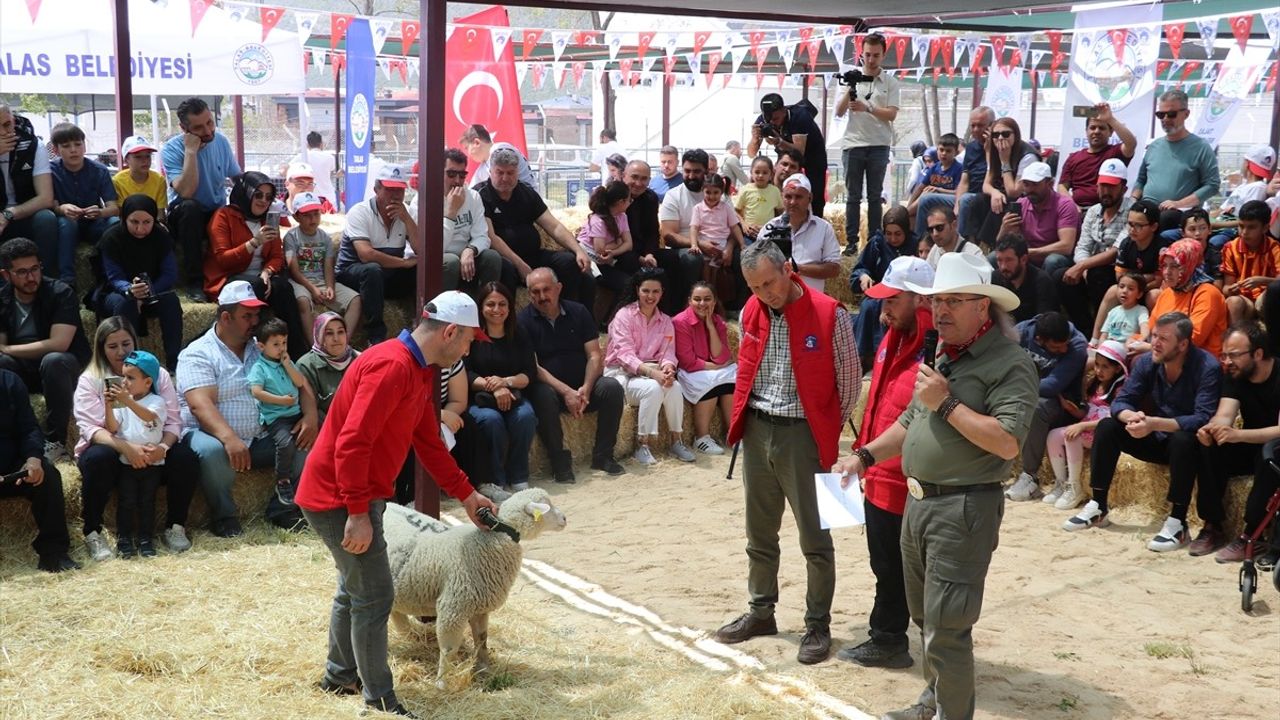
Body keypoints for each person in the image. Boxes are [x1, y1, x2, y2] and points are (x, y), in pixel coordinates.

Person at [834, 251, 1038, 720]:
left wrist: (945, 404)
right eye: (937, 300)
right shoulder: (948, 351)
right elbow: (912, 417)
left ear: (983, 307)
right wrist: (864, 457)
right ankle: (933, 701)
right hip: (921, 503)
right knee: (926, 618)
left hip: (962, 508)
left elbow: (1008, 442)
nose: (940, 311)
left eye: (953, 301)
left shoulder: (1010, 363)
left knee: (946, 627)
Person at [295, 291, 499, 718]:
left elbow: (427, 439)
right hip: (339, 495)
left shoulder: (418, 369)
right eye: (467, 341)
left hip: (352, 492)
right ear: (449, 332)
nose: (467, 350)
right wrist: (355, 512)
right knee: (375, 594)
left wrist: (466, 493)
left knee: (355, 588)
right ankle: (380, 700)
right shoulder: (392, 366)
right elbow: (353, 443)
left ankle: (339, 676)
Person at [713, 240, 860, 665]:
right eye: (756, 287)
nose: (766, 293)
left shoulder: (831, 312)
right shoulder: (751, 310)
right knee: (759, 533)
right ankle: (761, 612)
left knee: (816, 538)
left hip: (804, 434)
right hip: (758, 429)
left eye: (770, 282)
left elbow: (849, 385)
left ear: (788, 269)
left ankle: (818, 624)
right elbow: (746, 367)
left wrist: (821, 427)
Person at [836, 254, 934, 671]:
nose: (884, 307)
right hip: (878, 473)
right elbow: (878, 406)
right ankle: (889, 636)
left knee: (897, 568)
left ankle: (891, 639)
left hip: (906, 483)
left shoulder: (932, 354)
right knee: (885, 564)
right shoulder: (891, 341)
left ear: (919, 300)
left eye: (893, 300)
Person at [1065, 312, 1221, 555]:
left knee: (1183, 439)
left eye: (1164, 339)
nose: (1155, 343)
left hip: (1186, 447)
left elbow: (1203, 418)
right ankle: (1098, 506)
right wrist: (1132, 418)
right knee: (1108, 426)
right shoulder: (1149, 362)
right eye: (1155, 335)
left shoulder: (1208, 367)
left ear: (1183, 344)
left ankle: (1178, 522)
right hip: (1155, 438)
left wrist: (1153, 423)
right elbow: (1122, 401)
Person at [177, 280, 318, 538]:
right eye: (247, 316)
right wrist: (229, 438)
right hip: (213, 437)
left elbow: (302, 383)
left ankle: (283, 509)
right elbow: (200, 404)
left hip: (262, 437)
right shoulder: (198, 353)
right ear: (226, 317)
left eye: (256, 314)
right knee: (211, 452)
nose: (255, 321)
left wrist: (310, 417)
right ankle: (224, 517)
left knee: (306, 443)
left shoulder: (263, 346)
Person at [74, 316, 198, 561]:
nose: (121, 352)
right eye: (112, 346)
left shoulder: (156, 374)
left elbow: (173, 420)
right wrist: (126, 448)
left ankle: (175, 526)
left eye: (126, 344)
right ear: (101, 348)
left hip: (153, 450)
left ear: (135, 342)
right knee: (97, 458)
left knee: (185, 457)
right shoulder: (90, 379)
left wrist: (163, 447)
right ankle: (93, 531)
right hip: (113, 451)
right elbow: (90, 427)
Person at [519, 268, 626, 482]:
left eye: (546, 290)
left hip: (582, 387)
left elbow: (595, 355)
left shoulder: (579, 312)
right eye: (535, 292)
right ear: (529, 294)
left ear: (558, 288)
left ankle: (603, 455)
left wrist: (586, 388)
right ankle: (559, 461)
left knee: (612, 388)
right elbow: (534, 367)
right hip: (552, 390)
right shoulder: (522, 321)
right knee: (541, 394)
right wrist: (567, 392)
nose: (541, 297)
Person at [0, 237, 90, 461]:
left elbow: (59, 343)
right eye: (21, 272)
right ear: (6, 275)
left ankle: (55, 441)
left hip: (62, 368)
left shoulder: (61, 292)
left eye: (34, 269)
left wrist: (8, 349)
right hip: (22, 369)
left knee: (54, 360)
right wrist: (5, 351)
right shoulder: (2, 298)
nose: (31, 277)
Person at [1195, 323, 1280, 559]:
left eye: (1234, 355)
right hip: (1250, 443)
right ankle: (1212, 525)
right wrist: (1213, 429)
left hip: (1275, 446)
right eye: (1224, 355)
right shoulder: (1235, 375)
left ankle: (1252, 535)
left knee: (1269, 455)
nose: (1227, 361)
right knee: (1209, 447)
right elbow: (1225, 414)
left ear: (1258, 354)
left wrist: (1238, 435)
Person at [478, 147, 596, 315]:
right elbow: (492, 237)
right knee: (506, 270)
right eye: (500, 173)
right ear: (491, 171)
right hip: (505, 258)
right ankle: (511, 326)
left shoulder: (526, 192)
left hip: (533, 254)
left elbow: (553, 226)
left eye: (510, 173)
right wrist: (520, 265)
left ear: (517, 172)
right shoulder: (481, 195)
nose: (505, 178)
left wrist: (578, 250)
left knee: (568, 262)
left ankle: (567, 318)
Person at [205, 172, 308, 359]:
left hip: (260, 276)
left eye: (269, 197)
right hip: (229, 277)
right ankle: (259, 352)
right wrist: (254, 242)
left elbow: (277, 256)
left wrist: (268, 272)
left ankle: (297, 354)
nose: (263, 201)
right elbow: (223, 260)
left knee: (282, 287)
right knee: (254, 286)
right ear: (246, 193)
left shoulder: (269, 219)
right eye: (258, 195)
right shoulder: (224, 216)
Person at [604, 269, 696, 465]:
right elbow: (625, 356)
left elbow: (669, 352)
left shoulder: (665, 321)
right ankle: (641, 445)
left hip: (650, 372)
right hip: (621, 374)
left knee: (675, 387)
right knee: (653, 389)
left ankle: (676, 441)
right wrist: (653, 373)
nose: (650, 296)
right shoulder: (624, 315)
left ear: (662, 293)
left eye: (655, 292)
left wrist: (669, 368)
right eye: (646, 291)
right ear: (637, 290)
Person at [0, 367, 79, 573]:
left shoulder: (10, 381)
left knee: (48, 474)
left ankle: (53, 553)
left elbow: (29, 428)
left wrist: (33, 457)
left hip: (10, 470)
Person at [93, 194, 183, 371]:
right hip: (116, 292)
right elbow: (113, 276)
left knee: (171, 301)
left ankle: (174, 362)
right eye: (134, 222)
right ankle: (128, 364)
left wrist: (148, 291)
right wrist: (130, 290)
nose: (140, 229)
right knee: (125, 304)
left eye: (146, 222)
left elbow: (170, 273)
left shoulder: (160, 236)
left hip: (153, 289)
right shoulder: (112, 237)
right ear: (124, 218)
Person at [162, 97, 242, 295]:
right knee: (191, 208)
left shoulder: (221, 141)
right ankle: (194, 282)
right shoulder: (171, 149)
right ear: (184, 128)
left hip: (215, 211)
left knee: (236, 209)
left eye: (210, 123)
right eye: (199, 128)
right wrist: (191, 152)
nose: (207, 131)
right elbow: (186, 191)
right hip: (184, 214)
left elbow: (237, 178)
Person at [1006, 312, 1089, 502]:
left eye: (1065, 344)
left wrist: (1015, 384)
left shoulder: (1077, 346)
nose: (1064, 349)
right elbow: (1002, 363)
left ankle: (1030, 477)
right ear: (1039, 339)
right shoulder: (1022, 332)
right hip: (1026, 392)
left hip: (1062, 403)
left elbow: (1052, 386)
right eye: (1057, 347)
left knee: (1036, 408)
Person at [465, 282, 538, 493]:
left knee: (525, 417)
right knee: (491, 421)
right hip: (479, 399)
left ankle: (518, 476)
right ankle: (495, 479)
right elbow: (466, 374)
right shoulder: (471, 335)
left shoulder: (519, 332)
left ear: (510, 306)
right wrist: (494, 387)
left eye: (502, 304)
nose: (497, 310)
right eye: (490, 304)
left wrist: (505, 382)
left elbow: (529, 372)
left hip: (513, 395)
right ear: (481, 307)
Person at [335, 165, 419, 343]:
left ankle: (420, 321)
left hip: (384, 277)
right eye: (389, 189)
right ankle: (375, 336)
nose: (395, 195)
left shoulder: (407, 212)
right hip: (353, 273)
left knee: (421, 267)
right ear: (376, 189)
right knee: (372, 270)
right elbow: (366, 254)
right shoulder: (360, 211)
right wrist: (403, 263)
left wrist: (408, 220)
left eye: (400, 190)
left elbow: (422, 250)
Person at [1044, 339, 1127, 511]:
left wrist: (1082, 426)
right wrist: (1074, 411)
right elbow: (1088, 411)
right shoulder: (1095, 385)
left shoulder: (1120, 389)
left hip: (1100, 432)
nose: (1098, 370)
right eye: (1097, 365)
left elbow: (1112, 418)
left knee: (1072, 436)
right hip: (1087, 426)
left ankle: (1075, 487)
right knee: (1053, 435)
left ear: (1117, 368)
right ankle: (1062, 482)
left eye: (1105, 367)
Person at [836, 32, 900, 256]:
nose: (871, 60)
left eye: (876, 55)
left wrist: (868, 107)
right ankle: (851, 242)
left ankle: (874, 239)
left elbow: (891, 114)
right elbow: (839, 111)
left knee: (875, 196)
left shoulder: (890, 82)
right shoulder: (852, 77)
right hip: (853, 144)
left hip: (879, 145)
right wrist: (849, 88)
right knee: (853, 196)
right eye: (867, 55)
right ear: (861, 54)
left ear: (883, 55)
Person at [408, 148, 505, 294]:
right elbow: (434, 248)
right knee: (452, 262)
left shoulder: (473, 197)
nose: (457, 181)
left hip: (466, 253)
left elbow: (482, 236)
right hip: (440, 257)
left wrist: (470, 250)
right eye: (451, 174)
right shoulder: (422, 201)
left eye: (462, 175)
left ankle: (484, 309)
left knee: (492, 258)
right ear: (439, 173)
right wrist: (451, 212)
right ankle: (442, 313)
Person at [101, 349, 167, 558]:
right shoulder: (123, 403)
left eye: (130, 378)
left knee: (147, 501)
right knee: (126, 502)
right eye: (123, 377)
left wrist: (127, 401)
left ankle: (146, 539)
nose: (125, 382)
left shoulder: (157, 401)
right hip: (127, 462)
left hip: (151, 464)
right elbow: (112, 428)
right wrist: (109, 406)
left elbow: (149, 418)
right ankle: (124, 538)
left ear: (148, 382)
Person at [1061, 158, 1133, 335]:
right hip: (1091, 267)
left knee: (1097, 274)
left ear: (1123, 188)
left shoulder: (1132, 210)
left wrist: (1084, 266)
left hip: (1118, 269)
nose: (1105, 191)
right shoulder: (1093, 211)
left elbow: (1117, 251)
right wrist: (1082, 268)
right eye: (1102, 186)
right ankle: (1083, 329)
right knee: (1061, 277)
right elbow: (1082, 246)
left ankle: (1101, 331)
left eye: (1111, 186)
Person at [1133, 89, 1220, 231]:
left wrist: (1179, 203)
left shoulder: (1201, 147)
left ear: (1186, 114)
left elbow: (1212, 185)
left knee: (1166, 219)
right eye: (1161, 115)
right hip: (1148, 211)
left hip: (1179, 215)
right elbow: (1141, 180)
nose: (1165, 119)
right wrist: (1133, 200)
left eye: (1171, 114)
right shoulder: (1154, 146)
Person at [1089, 198, 1170, 343]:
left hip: (1150, 290)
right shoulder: (1126, 244)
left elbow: (1159, 281)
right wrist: (1144, 279)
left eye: (1139, 225)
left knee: (1154, 295)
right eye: (1130, 224)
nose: (1132, 229)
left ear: (1154, 226)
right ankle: (1094, 340)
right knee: (1113, 290)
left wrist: (1137, 285)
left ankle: (1152, 339)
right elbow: (1120, 276)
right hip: (1133, 287)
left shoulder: (1162, 247)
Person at [284, 191, 361, 343]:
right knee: (303, 302)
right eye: (307, 215)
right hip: (300, 282)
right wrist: (312, 289)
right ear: (296, 217)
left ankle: (344, 342)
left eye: (316, 214)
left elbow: (328, 267)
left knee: (355, 299)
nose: (313, 219)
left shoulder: (325, 237)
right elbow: (293, 270)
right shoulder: (291, 237)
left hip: (322, 281)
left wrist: (330, 286)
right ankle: (315, 346)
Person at [49, 122, 119, 286]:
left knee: (114, 224)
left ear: (84, 146)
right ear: (56, 150)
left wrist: (100, 212)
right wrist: (61, 208)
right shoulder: (50, 171)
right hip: (66, 222)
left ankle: (112, 276)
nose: (73, 150)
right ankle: (67, 281)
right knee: (67, 224)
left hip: (93, 221)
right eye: (66, 146)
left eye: (78, 144)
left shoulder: (99, 170)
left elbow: (114, 208)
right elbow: (48, 204)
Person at [248, 318, 308, 506]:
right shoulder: (259, 367)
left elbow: (299, 382)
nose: (281, 348)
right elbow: (256, 391)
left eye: (284, 343)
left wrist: (289, 365)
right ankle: (283, 481)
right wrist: (281, 401)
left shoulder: (286, 362)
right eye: (276, 344)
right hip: (277, 418)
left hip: (295, 413)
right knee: (285, 444)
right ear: (261, 346)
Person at [673, 281, 736, 456]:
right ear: (689, 301)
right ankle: (701, 437)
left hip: (712, 366)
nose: (702, 304)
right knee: (710, 382)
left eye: (707, 299)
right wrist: (718, 366)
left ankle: (733, 434)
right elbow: (688, 361)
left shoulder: (718, 321)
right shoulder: (680, 322)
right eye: (697, 299)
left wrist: (710, 326)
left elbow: (720, 355)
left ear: (714, 302)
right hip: (692, 371)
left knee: (734, 380)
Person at [917, 106, 994, 244]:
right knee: (926, 199)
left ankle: (959, 246)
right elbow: (964, 182)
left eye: (981, 125)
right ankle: (921, 243)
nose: (976, 130)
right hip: (966, 195)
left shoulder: (999, 147)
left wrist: (989, 151)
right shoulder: (971, 148)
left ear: (991, 126)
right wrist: (956, 206)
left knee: (965, 200)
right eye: (973, 125)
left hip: (985, 197)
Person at [1144, 239, 1228, 357]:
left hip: (1199, 361)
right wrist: (1134, 340)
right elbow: (1151, 329)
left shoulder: (1208, 293)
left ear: (1189, 266)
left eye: (1175, 266)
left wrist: (1149, 347)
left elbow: (1193, 339)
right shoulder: (1166, 293)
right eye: (1164, 266)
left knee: (1140, 360)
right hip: (1166, 354)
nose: (1167, 272)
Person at [621, 160, 685, 315]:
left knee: (672, 258)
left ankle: (671, 314)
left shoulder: (650, 198)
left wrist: (650, 253)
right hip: (621, 250)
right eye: (634, 177)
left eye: (644, 179)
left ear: (650, 180)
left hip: (644, 250)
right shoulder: (614, 194)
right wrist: (639, 257)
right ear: (624, 176)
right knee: (630, 260)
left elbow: (652, 232)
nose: (638, 183)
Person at [758, 174, 841, 294]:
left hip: (812, 302)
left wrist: (796, 268)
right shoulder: (769, 229)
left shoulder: (824, 229)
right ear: (782, 197)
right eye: (788, 196)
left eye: (798, 197)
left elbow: (834, 269)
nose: (792, 202)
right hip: (777, 302)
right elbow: (757, 266)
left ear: (810, 198)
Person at [851, 207, 912, 367]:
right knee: (868, 306)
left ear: (906, 230)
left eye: (897, 234)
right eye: (888, 233)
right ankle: (861, 356)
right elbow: (859, 269)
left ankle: (885, 355)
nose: (892, 238)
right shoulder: (877, 244)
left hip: (902, 296)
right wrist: (863, 275)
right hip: (879, 294)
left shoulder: (915, 245)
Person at [749, 94, 827, 218]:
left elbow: (799, 152)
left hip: (813, 155)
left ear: (784, 111)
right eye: (769, 120)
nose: (772, 123)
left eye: (776, 119)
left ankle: (815, 223)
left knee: (815, 194)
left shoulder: (800, 116)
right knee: (779, 187)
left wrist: (779, 141)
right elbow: (751, 153)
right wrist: (754, 139)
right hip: (786, 154)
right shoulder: (763, 121)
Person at [998, 161, 1080, 277]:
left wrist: (1029, 252)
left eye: (1035, 184)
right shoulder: (1021, 204)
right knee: (994, 258)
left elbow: (1066, 246)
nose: (1030, 189)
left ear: (1049, 183)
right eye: (1026, 184)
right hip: (1028, 254)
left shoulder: (1064, 205)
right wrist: (1004, 229)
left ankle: (1044, 293)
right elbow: (1002, 245)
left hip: (1056, 256)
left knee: (1053, 260)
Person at [0, 103, 57, 255]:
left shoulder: (32, 144)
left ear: (14, 119)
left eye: (7, 124)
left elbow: (46, 198)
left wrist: (8, 214)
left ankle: (46, 275)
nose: (4, 132)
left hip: (22, 212)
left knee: (46, 218)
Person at [1056, 103, 1137, 211]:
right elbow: (1062, 186)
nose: (1097, 131)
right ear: (1086, 131)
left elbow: (1131, 144)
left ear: (1111, 132)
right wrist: (1072, 206)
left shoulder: (1116, 153)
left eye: (1102, 128)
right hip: (1076, 210)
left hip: (1107, 209)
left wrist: (1110, 119)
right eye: (1093, 128)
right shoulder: (1073, 158)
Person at [980, 116, 1040, 245]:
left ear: (1015, 135)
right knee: (974, 201)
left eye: (1005, 134)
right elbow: (986, 184)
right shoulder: (995, 151)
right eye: (996, 135)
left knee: (1005, 203)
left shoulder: (1028, 156)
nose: (1000, 138)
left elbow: (1014, 192)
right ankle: (973, 242)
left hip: (1026, 198)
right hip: (1001, 193)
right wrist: (994, 193)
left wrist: (1005, 161)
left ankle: (991, 246)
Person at [577, 180, 634, 313]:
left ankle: (611, 319)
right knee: (625, 284)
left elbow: (629, 244)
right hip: (591, 259)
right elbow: (600, 250)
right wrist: (619, 242)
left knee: (630, 280)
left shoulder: (622, 216)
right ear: (621, 202)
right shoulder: (598, 220)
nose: (630, 202)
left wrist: (614, 251)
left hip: (606, 259)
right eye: (629, 200)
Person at [1220, 200, 1279, 324]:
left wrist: (1261, 280)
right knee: (1233, 301)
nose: (1244, 232)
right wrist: (1231, 290)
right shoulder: (1230, 247)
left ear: (1265, 228)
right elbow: (1226, 288)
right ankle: (1236, 339)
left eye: (1251, 227)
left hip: (1265, 301)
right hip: (1244, 301)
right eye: (1241, 226)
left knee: (1270, 295)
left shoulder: (1274, 248)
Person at [689, 173, 745, 299]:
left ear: (721, 192)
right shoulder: (698, 208)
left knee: (715, 276)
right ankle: (707, 297)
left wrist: (742, 244)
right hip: (705, 245)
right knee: (706, 273)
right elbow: (694, 228)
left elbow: (735, 227)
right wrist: (694, 244)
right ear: (703, 191)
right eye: (708, 192)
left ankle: (715, 300)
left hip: (722, 246)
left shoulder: (726, 208)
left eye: (716, 192)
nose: (712, 196)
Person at [295, 312, 356, 427]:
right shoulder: (307, 366)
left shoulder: (358, 359)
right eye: (329, 333)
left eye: (340, 332)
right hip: (328, 430)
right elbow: (314, 412)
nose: (336, 338)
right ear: (319, 336)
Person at [1209, 145, 1275, 249]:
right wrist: (1205, 218)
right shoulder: (1243, 186)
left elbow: (1247, 221)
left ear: (1247, 164)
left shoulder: (1258, 187)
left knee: (1215, 242)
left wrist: (1216, 224)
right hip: (1218, 224)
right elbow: (1221, 210)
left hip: (1229, 230)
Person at [992, 234, 1060, 323]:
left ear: (1023, 259)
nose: (1003, 266)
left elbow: (1045, 322)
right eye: (999, 260)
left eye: (1009, 260)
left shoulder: (1042, 281)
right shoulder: (996, 277)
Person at [907, 133, 961, 239]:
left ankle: (919, 239)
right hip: (931, 201)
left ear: (956, 152)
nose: (944, 153)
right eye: (941, 150)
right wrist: (909, 205)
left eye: (948, 151)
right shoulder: (934, 168)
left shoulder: (959, 168)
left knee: (926, 196)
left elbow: (959, 192)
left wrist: (939, 190)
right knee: (911, 215)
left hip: (950, 202)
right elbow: (920, 188)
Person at [458, 123, 534, 189]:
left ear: (476, 143)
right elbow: (472, 192)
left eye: (467, 148)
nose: (468, 153)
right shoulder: (484, 166)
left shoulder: (502, 150)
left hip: (527, 201)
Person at [112, 136, 168, 222]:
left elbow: (160, 213)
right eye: (138, 157)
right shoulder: (118, 181)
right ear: (126, 160)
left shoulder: (159, 180)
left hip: (152, 223)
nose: (145, 161)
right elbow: (120, 214)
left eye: (148, 156)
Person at [1093, 272, 1149, 347]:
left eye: (1131, 289)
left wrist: (1140, 340)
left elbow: (1144, 328)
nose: (1124, 291)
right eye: (1121, 287)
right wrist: (1101, 347)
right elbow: (1104, 335)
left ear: (1139, 294)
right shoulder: (1113, 311)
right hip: (1109, 348)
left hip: (1127, 348)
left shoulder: (1140, 310)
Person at [735, 156, 783, 242]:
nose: (760, 175)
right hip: (749, 234)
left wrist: (772, 227)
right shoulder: (745, 190)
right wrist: (744, 224)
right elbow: (735, 211)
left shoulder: (775, 191)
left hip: (768, 234)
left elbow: (780, 213)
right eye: (757, 172)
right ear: (751, 173)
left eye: (765, 173)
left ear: (771, 174)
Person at [295, 131, 338, 208]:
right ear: (321, 143)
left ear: (307, 145)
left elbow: (284, 169)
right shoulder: (329, 157)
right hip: (328, 198)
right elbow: (334, 171)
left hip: (309, 198)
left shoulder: (302, 157)